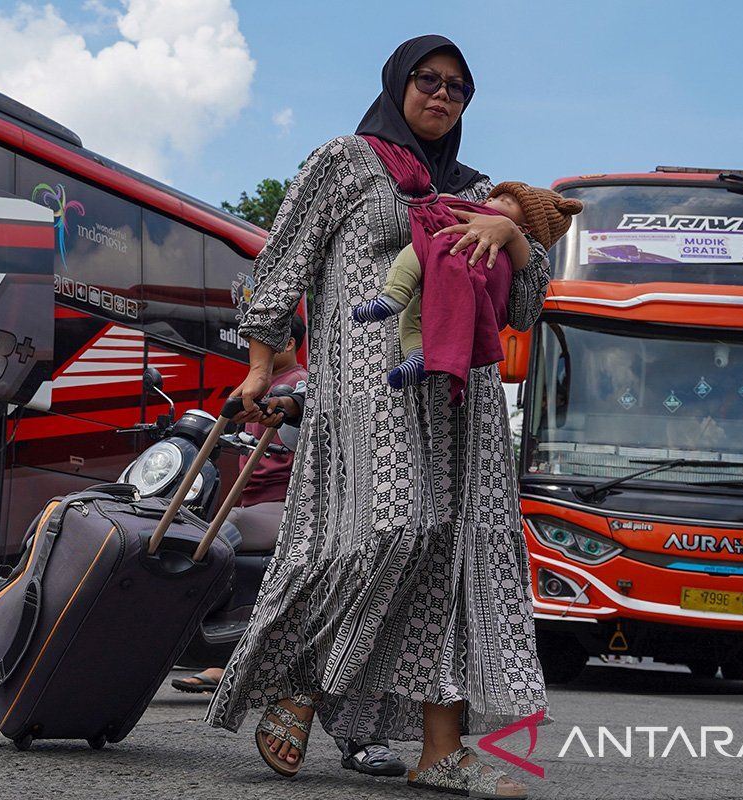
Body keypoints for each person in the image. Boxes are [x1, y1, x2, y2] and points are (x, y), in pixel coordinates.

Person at [206, 35, 550, 798]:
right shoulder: (345, 160)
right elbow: (283, 260)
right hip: (367, 385)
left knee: (458, 558)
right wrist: (261, 365)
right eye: (428, 80)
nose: (442, 95)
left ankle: (441, 750)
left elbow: (527, 305)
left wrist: (513, 235)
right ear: (398, 84)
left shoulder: (483, 189)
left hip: (462, 401)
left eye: (459, 88)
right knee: (394, 524)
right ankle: (299, 683)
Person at [172, 315, 408, 777]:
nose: (251, 346)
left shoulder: (363, 360)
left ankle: (329, 714)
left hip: (353, 507)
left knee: (370, 604)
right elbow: (300, 414)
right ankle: (311, 704)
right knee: (337, 606)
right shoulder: (284, 386)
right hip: (322, 517)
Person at [351, 182, 581, 391]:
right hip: (438, 290)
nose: (489, 201)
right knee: (412, 316)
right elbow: (444, 207)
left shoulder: (530, 252)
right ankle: (417, 355)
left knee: (419, 252)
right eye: (492, 199)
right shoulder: (474, 208)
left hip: (468, 292)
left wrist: (510, 232)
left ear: (526, 228)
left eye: (506, 201)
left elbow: (523, 318)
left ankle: (394, 294)